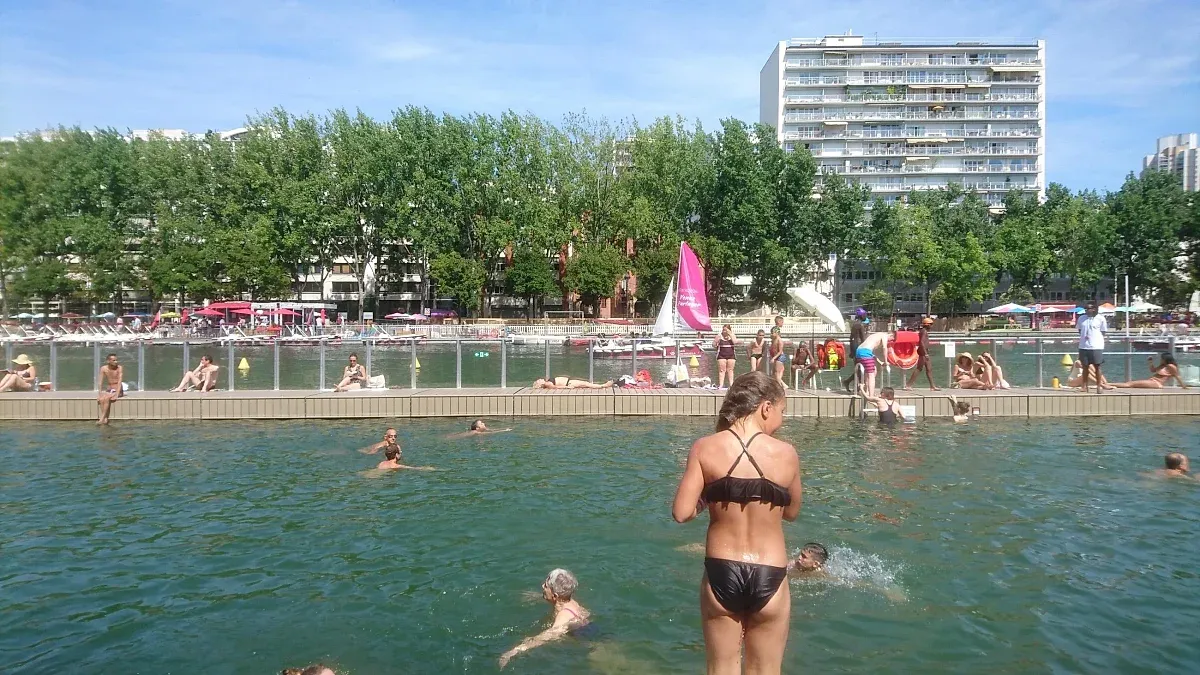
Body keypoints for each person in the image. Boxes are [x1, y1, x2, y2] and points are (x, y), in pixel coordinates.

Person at [672, 372, 802, 675]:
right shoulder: (786, 454)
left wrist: (709, 498)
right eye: (782, 412)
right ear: (765, 408)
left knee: (721, 668)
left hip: (722, 569)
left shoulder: (705, 447)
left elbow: (681, 512)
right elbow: (792, 512)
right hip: (770, 569)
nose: (780, 421)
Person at [499, 568, 590, 669]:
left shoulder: (563, 616)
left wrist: (515, 651)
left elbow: (548, 636)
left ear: (555, 596)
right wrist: (536, 596)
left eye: (546, 586)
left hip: (588, 648)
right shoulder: (569, 601)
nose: (542, 586)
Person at [1110, 354, 1190, 389]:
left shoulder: (1171, 366)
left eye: (1162, 358)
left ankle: (1107, 384)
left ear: (1166, 359)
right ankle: (1107, 384)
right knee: (1130, 383)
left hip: (1157, 383)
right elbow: (1152, 370)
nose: (1160, 359)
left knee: (1130, 384)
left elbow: (1177, 376)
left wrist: (1183, 386)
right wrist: (1150, 362)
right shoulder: (1163, 365)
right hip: (1152, 381)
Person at [1077, 301, 1107, 395]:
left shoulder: (1101, 319)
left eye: (1089, 308)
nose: (1087, 310)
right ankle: (1084, 386)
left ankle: (1099, 386)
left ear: (1094, 309)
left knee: (1097, 366)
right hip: (1083, 346)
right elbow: (1080, 330)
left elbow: (1103, 331)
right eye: (1085, 309)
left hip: (1096, 346)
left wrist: (1094, 338)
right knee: (1085, 367)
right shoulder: (1081, 318)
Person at [905, 317, 940, 391]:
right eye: (931, 324)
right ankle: (908, 385)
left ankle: (932, 386)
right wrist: (925, 353)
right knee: (919, 368)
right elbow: (921, 342)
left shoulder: (924, 331)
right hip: (923, 353)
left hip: (925, 352)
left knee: (929, 369)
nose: (932, 326)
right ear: (927, 325)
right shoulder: (923, 331)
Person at [854, 331, 889, 398]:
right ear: (891, 335)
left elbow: (871, 354)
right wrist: (886, 361)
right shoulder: (884, 335)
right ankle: (871, 396)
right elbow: (885, 348)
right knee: (871, 375)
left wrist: (880, 362)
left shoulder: (874, 336)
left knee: (873, 370)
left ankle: (866, 391)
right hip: (865, 352)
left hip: (859, 351)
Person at [842, 309, 868, 392]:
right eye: (865, 315)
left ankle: (850, 383)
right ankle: (856, 387)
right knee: (860, 368)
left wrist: (851, 351)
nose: (866, 316)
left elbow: (851, 338)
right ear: (861, 315)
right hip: (859, 348)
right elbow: (863, 339)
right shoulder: (859, 325)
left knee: (859, 368)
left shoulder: (855, 324)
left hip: (855, 347)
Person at [97, 353, 123, 425]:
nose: (116, 362)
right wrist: (100, 394)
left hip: (118, 388)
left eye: (116, 360)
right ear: (108, 361)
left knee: (106, 397)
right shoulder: (103, 368)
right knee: (102, 398)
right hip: (110, 389)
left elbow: (120, 381)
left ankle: (102, 418)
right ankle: (105, 419)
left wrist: (117, 394)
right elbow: (100, 382)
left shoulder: (119, 368)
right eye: (114, 360)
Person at [713, 324, 739, 389]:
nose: (724, 331)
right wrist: (716, 342)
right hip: (721, 355)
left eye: (726, 330)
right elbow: (713, 344)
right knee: (722, 370)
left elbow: (735, 342)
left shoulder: (732, 335)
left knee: (730, 370)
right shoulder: (719, 336)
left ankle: (731, 385)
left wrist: (730, 334)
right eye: (723, 330)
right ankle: (721, 385)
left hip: (731, 355)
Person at [533, 377, 614, 389]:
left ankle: (602, 385)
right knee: (586, 384)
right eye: (538, 380)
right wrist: (567, 388)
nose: (540, 379)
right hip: (569, 383)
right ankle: (603, 386)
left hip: (570, 382)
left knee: (586, 384)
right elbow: (555, 387)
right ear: (540, 384)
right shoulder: (547, 384)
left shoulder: (547, 382)